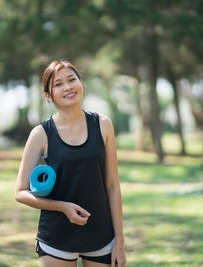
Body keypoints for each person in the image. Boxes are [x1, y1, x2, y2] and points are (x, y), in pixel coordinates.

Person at [15, 60, 126, 267]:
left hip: (101, 235)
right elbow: (20, 192)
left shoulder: (103, 125)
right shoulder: (40, 134)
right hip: (57, 238)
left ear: (80, 83)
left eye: (71, 79)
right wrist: (61, 207)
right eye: (58, 84)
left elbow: (112, 185)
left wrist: (119, 241)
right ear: (48, 95)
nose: (67, 87)